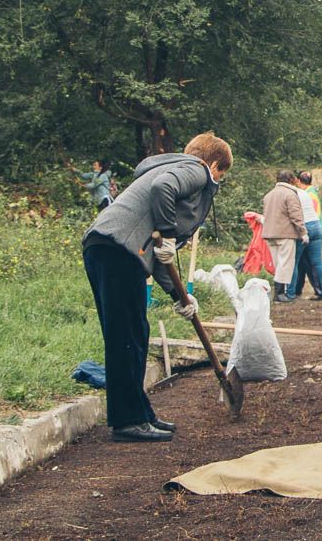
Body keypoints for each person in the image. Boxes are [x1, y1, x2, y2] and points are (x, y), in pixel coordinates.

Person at [81, 133, 232, 442]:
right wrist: (166, 233)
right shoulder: (195, 169)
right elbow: (162, 192)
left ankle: (141, 413)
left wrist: (181, 297)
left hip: (108, 248)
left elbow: (160, 256)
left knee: (134, 334)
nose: (216, 182)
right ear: (214, 164)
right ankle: (127, 422)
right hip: (118, 251)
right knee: (126, 338)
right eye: (220, 176)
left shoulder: (165, 169)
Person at [283, 172, 322, 301]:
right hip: (316, 226)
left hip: (305, 227)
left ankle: (291, 293)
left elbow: (294, 215)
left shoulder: (294, 194)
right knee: (318, 261)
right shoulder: (307, 193)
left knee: (294, 261)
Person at [262, 169, 307, 303]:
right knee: (285, 263)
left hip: (269, 233)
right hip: (285, 233)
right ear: (291, 180)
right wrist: (303, 232)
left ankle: (277, 293)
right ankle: (280, 294)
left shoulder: (269, 195)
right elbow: (296, 215)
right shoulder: (290, 194)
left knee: (277, 263)